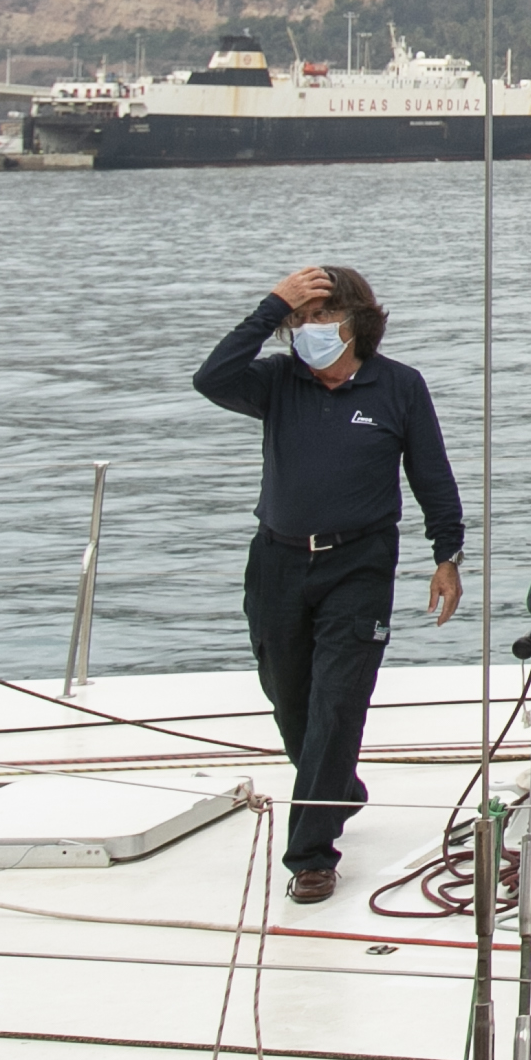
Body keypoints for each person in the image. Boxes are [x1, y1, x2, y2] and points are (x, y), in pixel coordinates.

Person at [194, 264, 465, 903]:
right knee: (289, 698)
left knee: (337, 704)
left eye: (322, 318)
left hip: (360, 564)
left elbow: (432, 473)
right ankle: (337, 789)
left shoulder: (398, 386)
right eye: (301, 320)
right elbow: (211, 378)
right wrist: (269, 306)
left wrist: (447, 553)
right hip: (278, 562)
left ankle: (311, 854)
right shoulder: (276, 381)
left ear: (355, 324)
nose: (310, 332)